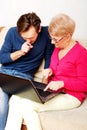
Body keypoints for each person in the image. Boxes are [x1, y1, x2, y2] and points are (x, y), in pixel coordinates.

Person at [5, 13, 87, 130]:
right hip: (52, 92)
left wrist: (63, 83)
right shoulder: (57, 48)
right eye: (51, 38)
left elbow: (85, 84)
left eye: (55, 39)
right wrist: (47, 73)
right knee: (15, 99)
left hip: (71, 96)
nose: (52, 43)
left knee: (26, 105)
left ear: (68, 36)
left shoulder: (81, 53)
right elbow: (52, 73)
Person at [0, 12, 54, 130]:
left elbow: (49, 57)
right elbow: (1, 57)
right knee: (1, 105)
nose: (28, 40)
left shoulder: (46, 34)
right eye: (24, 38)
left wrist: (45, 79)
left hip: (23, 78)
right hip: (4, 74)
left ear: (39, 29)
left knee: (17, 103)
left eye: (31, 37)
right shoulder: (12, 32)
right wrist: (20, 52)